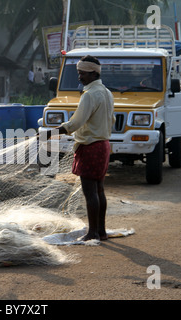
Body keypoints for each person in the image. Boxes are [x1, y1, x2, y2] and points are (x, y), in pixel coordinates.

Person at [46, 55, 114, 242]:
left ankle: (92, 233)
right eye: (78, 73)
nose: (79, 77)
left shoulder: (90, 95)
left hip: (91, 146)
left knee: (90, 191)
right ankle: (101, 231)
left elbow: (76, 122)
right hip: (103, 145)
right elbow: (111, 120)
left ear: (93, 73)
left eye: (82, 73)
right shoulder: (107, 92)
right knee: (99, 190)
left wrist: (52, 132)